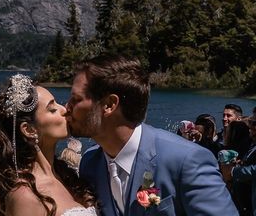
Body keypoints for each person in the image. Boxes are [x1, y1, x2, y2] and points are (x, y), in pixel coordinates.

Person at [66, 55, 237, 216]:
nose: (66, 107)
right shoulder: (90, 163)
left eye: (75, 99)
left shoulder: (186, 160)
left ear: (109, 105)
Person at [0, 74, 96, 216]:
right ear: (29, 130)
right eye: (52, 109)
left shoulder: (66, 176)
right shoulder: (25, 196)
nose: (64, 109)